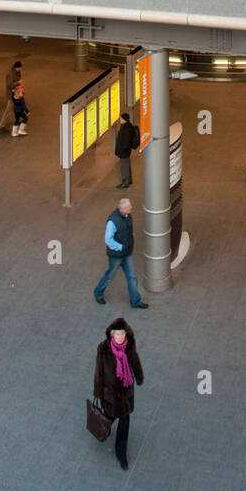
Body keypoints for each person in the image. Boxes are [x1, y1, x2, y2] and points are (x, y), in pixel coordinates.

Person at [94, 317, 144, 471]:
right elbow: (99, 372)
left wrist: (139, 376)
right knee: (109, 416)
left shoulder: (129, 348)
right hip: (109, 395)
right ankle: (103, 428)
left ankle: (121, 455)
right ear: (111, 335)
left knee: (124, 422)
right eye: (117, 334)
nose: (120, 337)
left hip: (125, 394)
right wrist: (98, 391)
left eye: (122, 334)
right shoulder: (103, 349)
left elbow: (135, 362)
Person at [93, 198, 149, 309]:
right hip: (116, 256)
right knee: (110, 276)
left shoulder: (127, 216)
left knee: (132, 277)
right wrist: (121, 247)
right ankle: (98, 293)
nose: (131, 208)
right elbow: (108, 240)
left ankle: (135, 301)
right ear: (123, 209)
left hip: (126, 253)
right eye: (129, 207)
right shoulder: (112, 221)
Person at [114, 111, 139, 189]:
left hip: (124, 152)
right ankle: (129, 180)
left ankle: (125, 183)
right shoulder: (126, 126)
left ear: (124, 119)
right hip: (125, 151)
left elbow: (126, 142)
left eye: (121, 118)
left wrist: (122, 150)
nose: (120, 120)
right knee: (126, 166)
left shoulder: (127, 128)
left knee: (124, 167)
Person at [0, 60, 22, 133]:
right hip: (11, 95)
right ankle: (1, 125)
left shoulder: (17, 72)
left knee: (17, 107)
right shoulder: (10, 74)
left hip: (16, 94)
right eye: (20, 68)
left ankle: (18, 120)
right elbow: (10, 85)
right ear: (16, 67)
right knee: (8, 110)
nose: (21, 69)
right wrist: (18, 83)